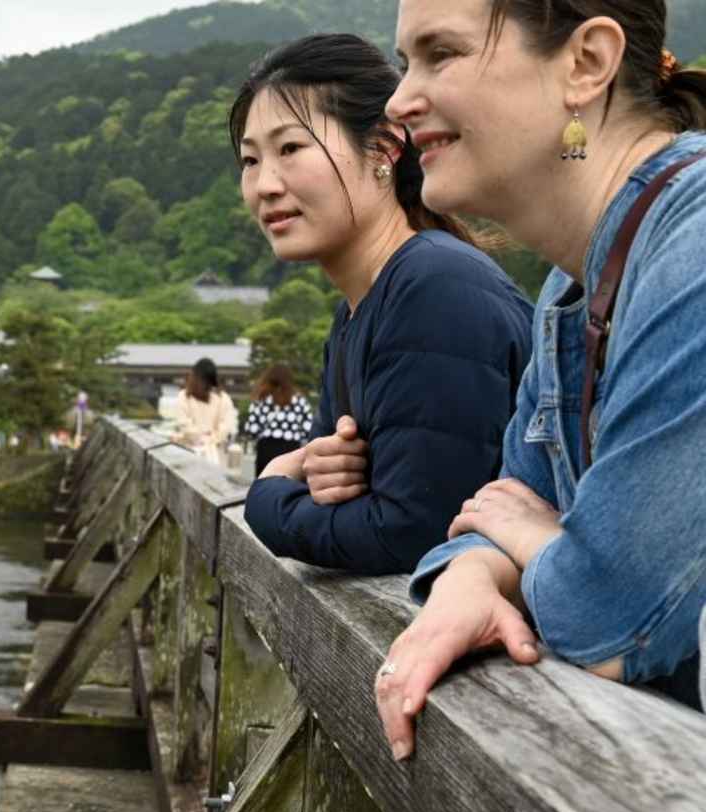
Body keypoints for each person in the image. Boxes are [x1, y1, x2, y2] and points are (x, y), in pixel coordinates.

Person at [375, 0, 706, 761]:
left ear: (587, 63)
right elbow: (490, 512)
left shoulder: (694, 243)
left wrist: (529, 537)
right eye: (404, 63)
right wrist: (469, 577)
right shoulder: (571, 288)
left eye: (440, 54)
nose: (399, 100)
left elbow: (610, 620)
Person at [233, 33, 535, 575]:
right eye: (250, 160)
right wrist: (312, 468)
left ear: (384, 148)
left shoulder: (436, 288)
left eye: (291, 148)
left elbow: (412, 531)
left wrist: (268, 492)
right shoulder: (358, 311)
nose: (265, 185)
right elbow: (335, 482)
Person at [242, 363, 314, 478]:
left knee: (265, 486)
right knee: (288, 486)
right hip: (291, 451)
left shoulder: (262, 399)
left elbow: (252, 429)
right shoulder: (299, 400)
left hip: (266, 449)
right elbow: (308, 430)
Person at [170, 358, 237, 465]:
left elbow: (226, 426)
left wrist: (210, 439)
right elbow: (184, 424)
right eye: (202, 381)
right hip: (189, 454)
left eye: (208, 383)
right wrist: (203, 436)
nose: (205, 386)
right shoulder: (183, 397)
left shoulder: (223, 399)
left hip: (216, 456)